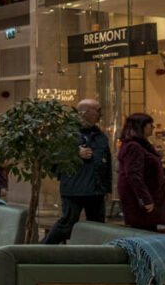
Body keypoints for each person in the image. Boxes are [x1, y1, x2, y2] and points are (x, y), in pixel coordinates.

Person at [42, 99, 112, 245]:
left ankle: (93, 256)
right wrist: (74, 154)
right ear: (86, 113)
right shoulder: (66, 134)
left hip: (96, 189)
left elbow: (107, 164)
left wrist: (107, 188)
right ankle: (41, 250)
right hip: (74, 188)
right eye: (98, 111)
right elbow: (49, 159)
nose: (101, 114)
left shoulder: (101, 136)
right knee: (67, 224)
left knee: (98, 226)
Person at [117, 112, 165, 232]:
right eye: (150, 125)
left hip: (145, 199)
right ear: (142, 127)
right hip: (140, 203)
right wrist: (146, 200)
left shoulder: (141, 145)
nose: (152, 128)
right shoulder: (134, 147)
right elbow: (134, 175)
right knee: (144, 233)